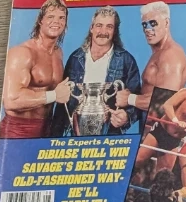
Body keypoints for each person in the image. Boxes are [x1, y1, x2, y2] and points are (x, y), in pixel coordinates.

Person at [60, 8, 141, 136]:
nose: (103, 32)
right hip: (77, 135)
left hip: (111, 135)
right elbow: (62, 100)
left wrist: (127, 116)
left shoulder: (126, 60)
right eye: (99, 25)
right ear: (91, 28)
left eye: (109, 27)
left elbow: (138, 101)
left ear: (115, 31)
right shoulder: (75, 58)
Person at [0, 0, 71, 138]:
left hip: (47, 129)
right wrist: (54, 95)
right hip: (18, 130)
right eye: (50, 17)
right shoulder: (22, 53)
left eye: (61, 18)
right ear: (40, 20)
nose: (56, 21)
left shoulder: (58, 53)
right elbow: (11, 100)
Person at [115, 2, 186, 115]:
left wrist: (129, 99)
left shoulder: (170, 55)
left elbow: (165, 101)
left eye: (153, 23)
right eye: (144, 25)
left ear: (166, 23)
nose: (147, 29)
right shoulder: (160, 53)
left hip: (157, 124)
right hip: (148, 120)